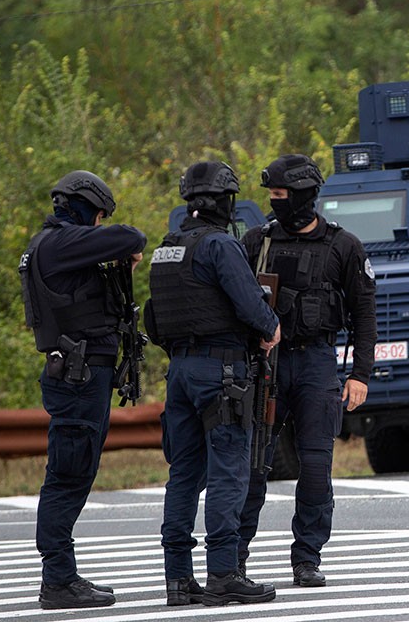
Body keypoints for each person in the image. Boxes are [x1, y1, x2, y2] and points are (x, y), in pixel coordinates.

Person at [237, 154, 377, 588]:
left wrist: (361, 375)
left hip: (318, 363)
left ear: (303, 195)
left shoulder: (343, 245)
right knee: (254, 464)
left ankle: (307, 557)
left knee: (316, 466)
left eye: (280, 195)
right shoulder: (256, 241)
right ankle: (233, 558)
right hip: (267, 367)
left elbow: (364, 312)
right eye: (272, 196)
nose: (275, 203)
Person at [147, 161, 281, 607]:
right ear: (225, 202)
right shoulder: (220, 245)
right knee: (228, 471)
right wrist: (270, 326)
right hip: (221, 370)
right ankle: (224, 572)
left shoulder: (167, 248)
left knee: (183, 474)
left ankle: (177, 579)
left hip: (180, 371)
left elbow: (153, 317)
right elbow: (251, 306)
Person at [19, 170, 147, 610]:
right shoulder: (61, 242)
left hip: (79, 374)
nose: (98, 224)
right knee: (68, 476)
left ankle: (62, 576)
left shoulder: (54, 244)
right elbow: (131, 235)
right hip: (77, 377)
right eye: (97, 216)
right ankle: (57, 579)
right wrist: (123, 246)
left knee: (73, 473)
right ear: (82, 207)